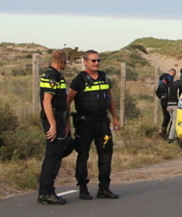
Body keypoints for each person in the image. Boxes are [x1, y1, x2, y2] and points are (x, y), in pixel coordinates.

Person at [67, 50, 121, 199]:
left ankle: (104, 188)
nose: (96, 63)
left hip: (102, 123)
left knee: (106, 155)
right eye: (93, 61)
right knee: (83, 155)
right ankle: (83, 188)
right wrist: (65, 123)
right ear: (85, 62)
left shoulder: (104, 77)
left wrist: (115, 117)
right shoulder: (79, 80)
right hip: (85, 124)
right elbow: (67, 101)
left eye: (98, 60)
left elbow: (109, 98)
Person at [37, 49, 72, 205]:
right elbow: (46, 102)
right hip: (54, 118)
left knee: (58, 153)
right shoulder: (51, 76)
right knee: (53, 156)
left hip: (60, 119)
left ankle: (48, 191)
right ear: (63, 61)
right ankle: (46, 193)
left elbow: (63, 102)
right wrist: (52, 124)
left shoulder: (57, 76)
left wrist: (66, 123)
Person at [165, 67, 182, 143]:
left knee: (172, 120)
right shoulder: (178, 86)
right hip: (175, 105)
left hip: (169, 105)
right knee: (175, 121)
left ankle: (174, 136)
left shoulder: (169, 86)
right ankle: (171, 137)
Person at [156, 68, 176, 138]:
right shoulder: (169, 79)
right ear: (173, 73)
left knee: (166, 117)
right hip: (168, 101)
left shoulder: (161, 80)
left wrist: (161, 97)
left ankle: (163, 131)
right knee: (173, 118)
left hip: (163, 101)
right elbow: (170, 91)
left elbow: (157, 92)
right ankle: (170, 133)